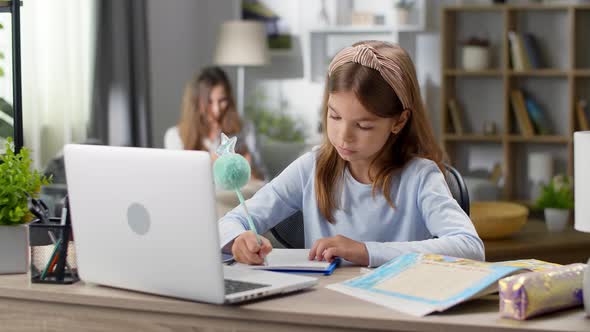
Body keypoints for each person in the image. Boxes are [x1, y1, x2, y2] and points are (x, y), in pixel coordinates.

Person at [218, 41, 485, 267]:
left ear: (399, 122)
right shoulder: (311, 167)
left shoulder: (420, 177)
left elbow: (470, 246)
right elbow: (233, 220)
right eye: (334, 116)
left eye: (363, 125)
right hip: (325, 308)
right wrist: (238, 240)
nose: (343, 136)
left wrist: (365, 251)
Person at [164, 66, 266, 180]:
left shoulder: (246, 129)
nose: (216, 110)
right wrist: (209, 161)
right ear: (196, 103)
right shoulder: (176, 135)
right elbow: (176, 181)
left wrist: (248, 169)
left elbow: (264, 181)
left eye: (222, 100)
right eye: (209, 102)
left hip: (237, 196)